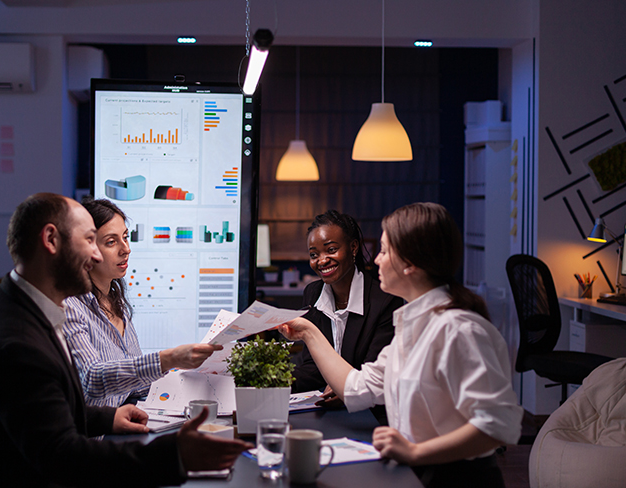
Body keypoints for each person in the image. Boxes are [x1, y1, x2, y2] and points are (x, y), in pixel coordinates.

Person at [0, 193, 250, 488]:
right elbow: (61, 456)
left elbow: (44, 409)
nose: (95, 254)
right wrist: (175, 455)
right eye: (91, 240)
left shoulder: (3, 302)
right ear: (51, 240)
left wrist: (107, 418)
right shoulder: (18, 342)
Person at [279, 203, 523, 488]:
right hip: (414, 473)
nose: (377, 261)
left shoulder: (460, 329)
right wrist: (308, 331)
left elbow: (497, 425)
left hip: (455, 479)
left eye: (384, 251)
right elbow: (356, 388)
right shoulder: (412, 326)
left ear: (410, 262)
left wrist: (415, 451)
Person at [63, 198, 221, 408]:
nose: (125, 249)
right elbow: (92, 380)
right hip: (95, 435)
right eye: (111, 242)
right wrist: (168, 359)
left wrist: (193, 375)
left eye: (125, 238)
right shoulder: (69, 307)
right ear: (85, 249)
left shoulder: (116, 302)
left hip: (122, 425)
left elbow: (135, 388)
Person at [292, 210, 403, 406]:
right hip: (324, 407)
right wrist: (274, 381)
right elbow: (313, 367)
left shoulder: (385, 300)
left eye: (331, 250)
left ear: (353, 248)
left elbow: (374, 373)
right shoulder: (313, 293)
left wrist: (344, 387)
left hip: (369, 411)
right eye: (314, 254)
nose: (322, 260)